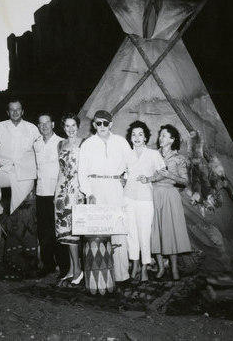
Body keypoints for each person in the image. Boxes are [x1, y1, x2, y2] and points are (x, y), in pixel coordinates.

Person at [78, 110, 132, 283]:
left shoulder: (121, 142)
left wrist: (126, 181)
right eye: (98, 123)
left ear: (111, 124)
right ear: (94, 124)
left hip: (115, 187)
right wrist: (89, 193)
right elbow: (82, 171)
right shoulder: (87, 144)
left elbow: (131, 164)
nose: (102, 126)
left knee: (119, 230)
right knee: (98, 232)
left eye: (105, 123)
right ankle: (99, 276)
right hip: (95, 188)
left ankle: (122, 275)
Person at [0, 97, 41, 216]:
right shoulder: (0, 126)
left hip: (25, 173)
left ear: (22, 111)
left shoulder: (32, 128)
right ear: (8, 112)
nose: (15, 112)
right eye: (12, 110)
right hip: (5, 170)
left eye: (18, 109)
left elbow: (40, 149)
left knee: (17, 210)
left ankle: (15, 231)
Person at [124, 121, 166, 283]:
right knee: (131, 234)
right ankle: (134, 264)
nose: (137, 137)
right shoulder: (127, 154)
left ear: (146, 137)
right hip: (127, 198)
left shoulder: (153, 154)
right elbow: (122, 172)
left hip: (145, 200)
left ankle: (144, 266)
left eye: (140, 134)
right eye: (134, 134)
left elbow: (163, 172)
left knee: (144, 234)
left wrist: (149, 178)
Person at [150, 124, 192, 281]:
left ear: (172, 139)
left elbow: (186, 181)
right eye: (160, 135)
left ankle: (174, 268)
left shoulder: (179, 158)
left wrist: (170, 175)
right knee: (155, 232)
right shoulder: (153, 155)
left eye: (164, 136)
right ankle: (161, 267)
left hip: (170, 196)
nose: (161, 138)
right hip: (153, 195)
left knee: (170, 232)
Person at [34, 113, 70, 278]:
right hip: (41, 193)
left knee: (59, 232)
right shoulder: (36, 144)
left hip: (57, 194)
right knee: (44, 232)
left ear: (53, 124)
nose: (44, 126)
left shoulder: (61, 143)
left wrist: (61, 191)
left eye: (47, 123)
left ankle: (64, 268)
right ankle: (48, 264)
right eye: (41, 124)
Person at [54, 113, 85, 285]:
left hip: (77, 190)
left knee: (73, 232)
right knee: (64, 233)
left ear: (78, 126)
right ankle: (73, 269)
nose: (71, 129)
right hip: (62, 192)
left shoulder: (84, 142)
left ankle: (79, 270)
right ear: (63, 127)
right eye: (67, 126)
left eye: (73, 125)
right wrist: (56, 192)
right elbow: (60, 170)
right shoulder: (60, 144)